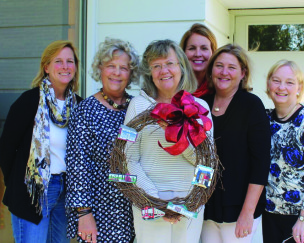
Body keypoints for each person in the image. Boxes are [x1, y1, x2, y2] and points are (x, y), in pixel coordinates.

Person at [124, 39, 213, 243]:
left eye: (169, 63)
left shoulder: (198, 108)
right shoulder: (138, 107)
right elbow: (129, 159)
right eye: (156, 66)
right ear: (150, 73)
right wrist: (157, 202)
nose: (164, 70)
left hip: (189, 205)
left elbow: (207, 163)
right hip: (148, 202)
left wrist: (190, 201)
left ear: (181, 67)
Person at [0, 40, 82, 243]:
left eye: (70, 61)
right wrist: (20, 185)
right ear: (46, 67)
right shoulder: (29, 101)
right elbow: (6, 149)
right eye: (58, 61)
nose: (65, 66)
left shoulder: (80, 106)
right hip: (34, 192)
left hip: (66, 192)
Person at [65, 37, 140, 243]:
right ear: (100, 69)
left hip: (136, 209)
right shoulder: (85, 111)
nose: (117, 73)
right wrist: (84, 214)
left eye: (123, 68)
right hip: (100, 211)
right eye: (111, 66)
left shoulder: (138, 108)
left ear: (131, 73)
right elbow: (77, 165)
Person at [200, 44, 271, 243]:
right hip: (205, 207)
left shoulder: (251, 105)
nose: (224, 72)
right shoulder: (200, 105)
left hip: (239, 209)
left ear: (242, 73)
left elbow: (260, 163)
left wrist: (247, 213)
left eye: (232, 67)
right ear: (211, 70)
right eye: (219, 66)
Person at [262, 60, 304, 243]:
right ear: (268, 85)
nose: (282, 87)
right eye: (276, 80)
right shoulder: (264, 119)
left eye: (290, 82)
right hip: (272, 214)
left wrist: (303, 218)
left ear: (299, 88)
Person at [180, 23, 218, 98]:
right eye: (192, 48)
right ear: (183, 52)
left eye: (204, 48)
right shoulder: (174, 86)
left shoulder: (219, 87)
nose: (198, 54)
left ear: (213, 52)